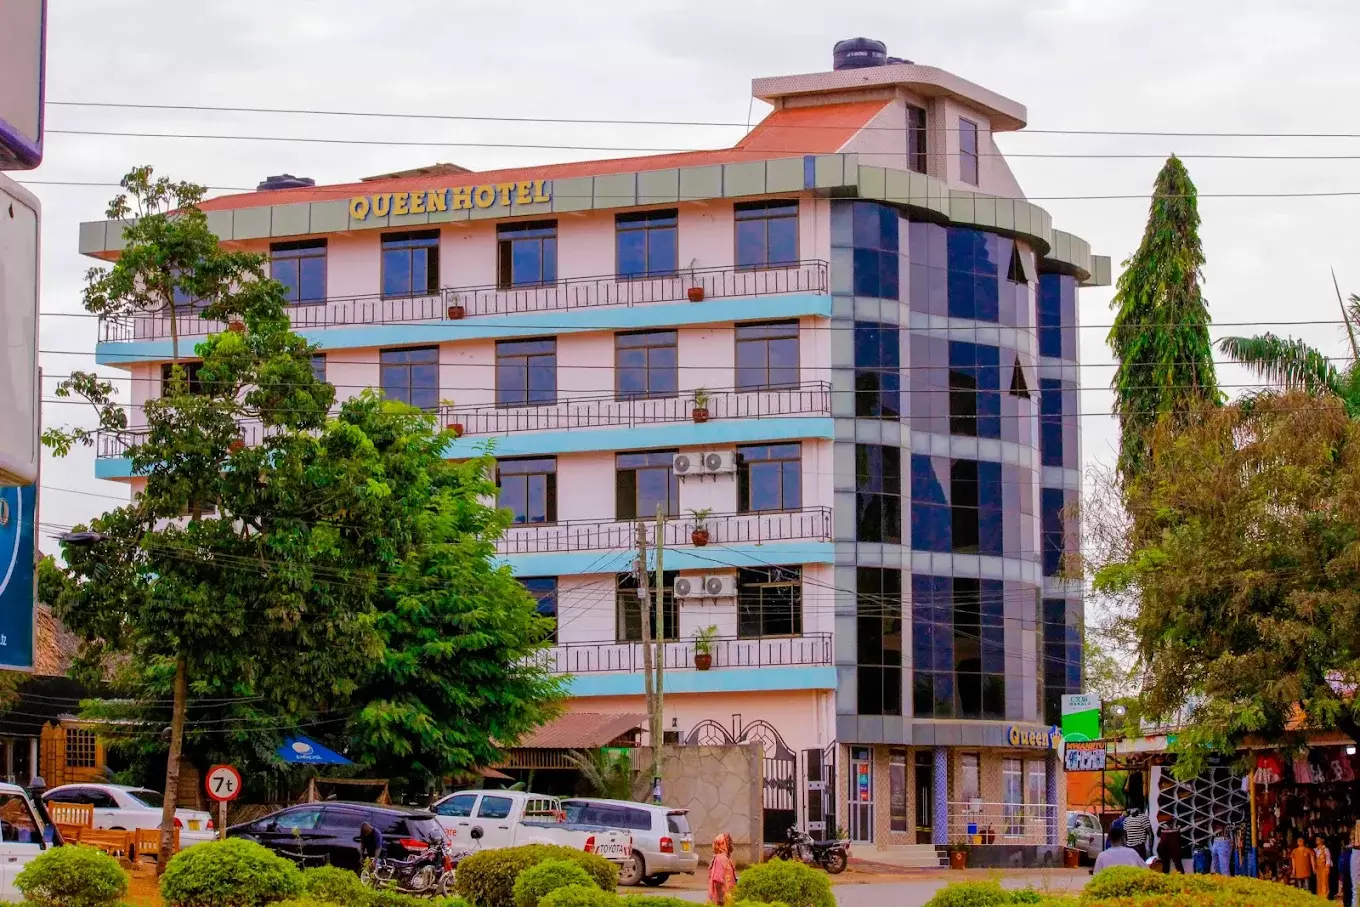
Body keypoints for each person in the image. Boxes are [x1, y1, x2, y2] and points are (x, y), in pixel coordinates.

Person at [709, 834, 737, 905]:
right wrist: (721, 900)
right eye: (728, 842)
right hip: (723, 900)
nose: (731, 844)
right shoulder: (721, 859)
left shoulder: (724, 858)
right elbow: (718, 880)